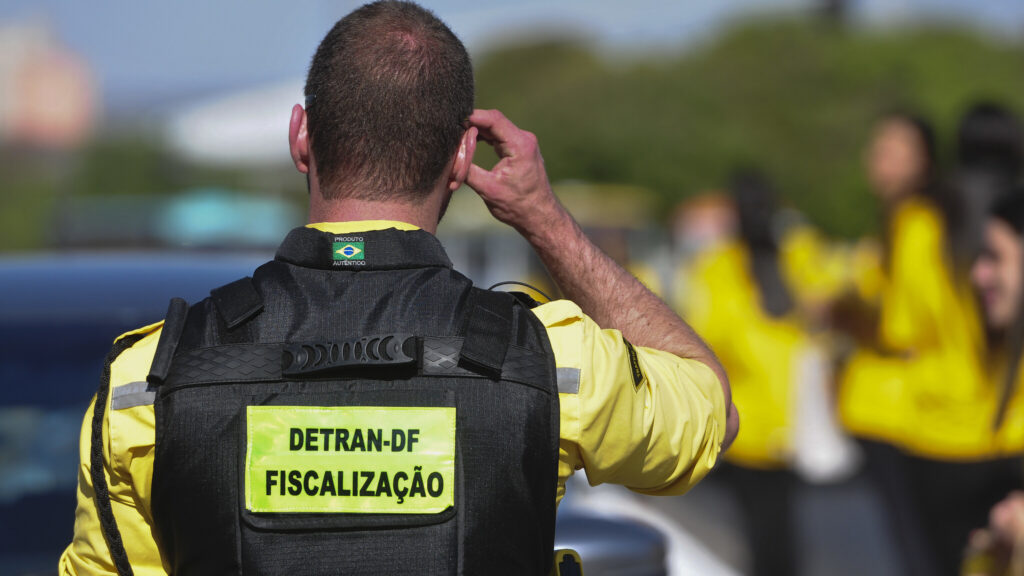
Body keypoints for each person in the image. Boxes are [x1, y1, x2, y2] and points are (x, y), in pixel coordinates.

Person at [58, 2, 738, 575]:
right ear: (464, 157)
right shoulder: (552, 363)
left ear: (301, 137)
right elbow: (710, 409)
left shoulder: (147, 384)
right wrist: (547, 222)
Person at [678, 169, 845, 576]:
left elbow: (830, 299)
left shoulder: (794, 254)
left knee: (777, 531)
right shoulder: (721, 265)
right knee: (770, 532)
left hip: (782, 424)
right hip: (754, 427)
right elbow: (708, 334)